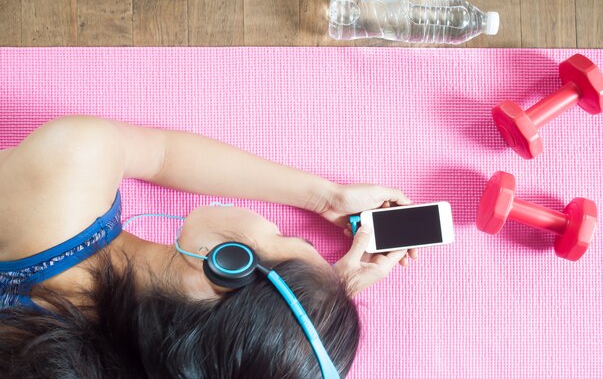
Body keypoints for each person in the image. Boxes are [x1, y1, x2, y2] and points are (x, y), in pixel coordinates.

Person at [0, 115, 418, 379]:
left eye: (291, 238)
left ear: (226, 262)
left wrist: (324, 195)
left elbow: (161, 153)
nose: (279, 226)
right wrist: (300, 329)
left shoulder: (71, 166)